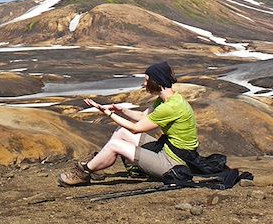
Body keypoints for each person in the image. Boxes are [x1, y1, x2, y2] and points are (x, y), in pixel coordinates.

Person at [58, 61, 198, 186]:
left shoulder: (170, 107)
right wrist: (121, 110)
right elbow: (143, 116)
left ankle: (84, 172)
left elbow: (136, 128)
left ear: (157, 81)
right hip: (170, 151)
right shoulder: (169, 99)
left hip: (173, 163)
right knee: (121, 132)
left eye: (147, 80)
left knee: (115, 145)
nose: (144, 84)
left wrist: (108, 113)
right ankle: (96, 166)